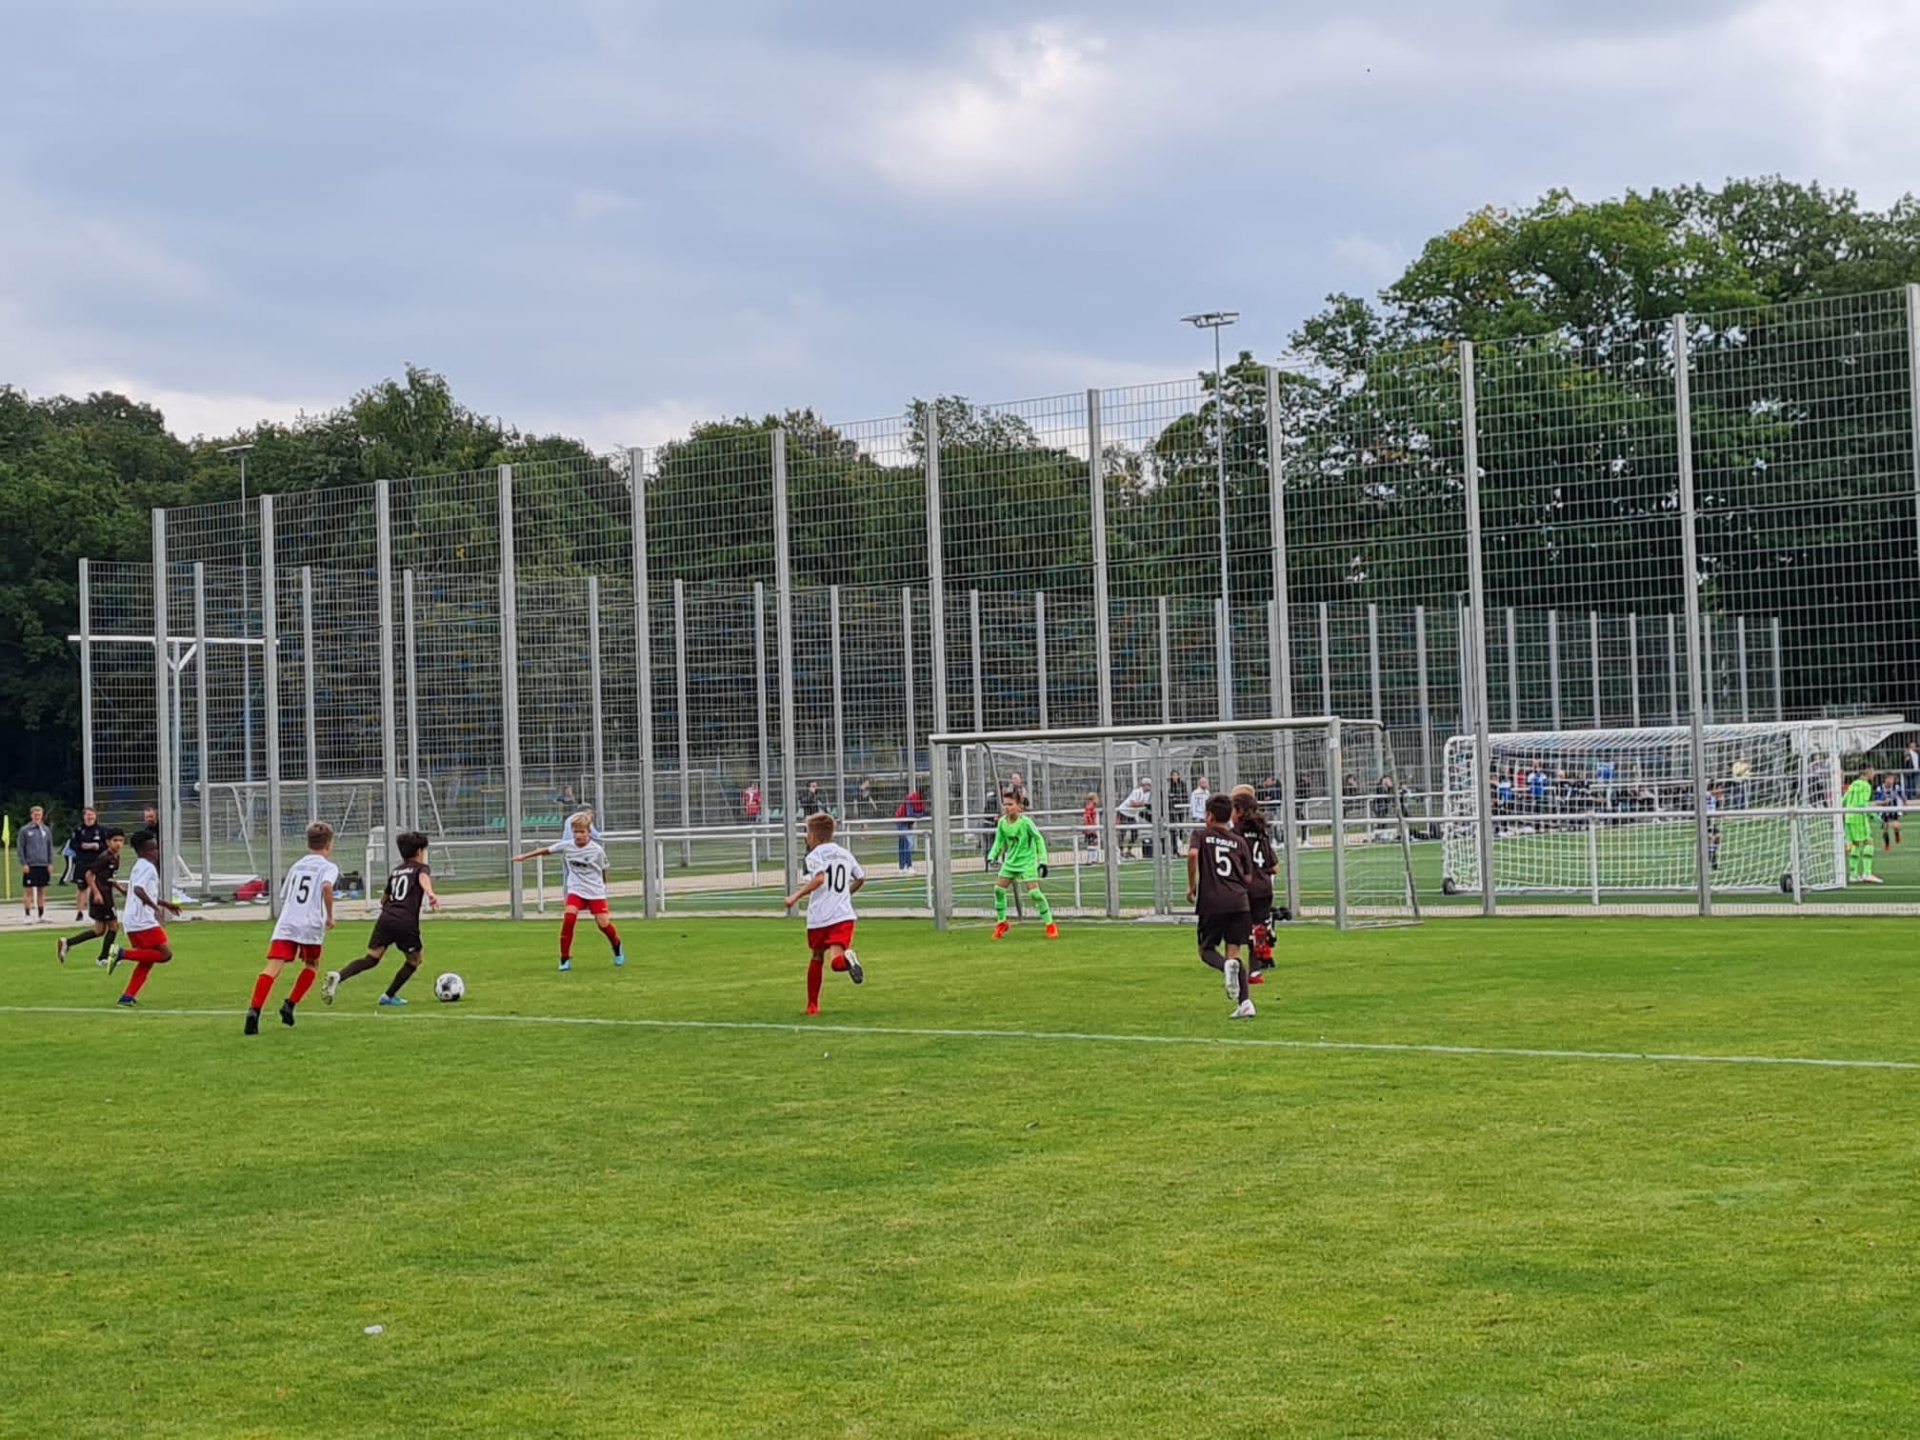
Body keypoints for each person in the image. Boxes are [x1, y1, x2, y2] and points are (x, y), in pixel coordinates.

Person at [324, 830, 440, 1006]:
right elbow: (423, 879)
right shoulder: (421, 868)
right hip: (405, 921)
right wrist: (430, 893)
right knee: (415, 960)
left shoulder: (396, 871)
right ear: (419, 851)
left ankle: (339, 976)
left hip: (386, 918)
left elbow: (383, 899)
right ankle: (388, 996)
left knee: (371, 958)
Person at [245, 822, 339, 1034]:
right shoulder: (328, 867)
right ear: (329, 844)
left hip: (287, 921)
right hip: (310, 922)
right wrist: (330, 916)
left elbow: (286, 894)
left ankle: (254, 1010)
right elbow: (326, 886)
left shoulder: (297, 865)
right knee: (312, 964)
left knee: (272, 967)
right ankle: (290, 1004)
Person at [512, 811, 624, 971]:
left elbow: (603, 869)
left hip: (595, 891)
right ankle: (564, 958)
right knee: (569, 918)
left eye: (581, 832)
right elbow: (545, 850)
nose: (578, 835)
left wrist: (603, 887)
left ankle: (617, 946)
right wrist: (524, 856)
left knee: (603, 924)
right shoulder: (567, 845)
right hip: (576, 889)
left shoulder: (597, 850)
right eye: (575, 831)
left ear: (588, 832)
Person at [783, 812, 866, 1015]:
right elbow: (861, 877)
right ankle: (849, 959)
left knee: (817, 956)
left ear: (814, 836)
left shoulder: (814, 855)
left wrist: (795, 896)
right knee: (837, 963)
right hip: (843, 916)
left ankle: (812, 1005)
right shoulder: (844, 853)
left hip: (820, 916)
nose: (806, 837)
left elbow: (819, 878)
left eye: (807, 833)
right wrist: (845, 894)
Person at [1187, 793, 1256, 1019]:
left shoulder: (1201, 835)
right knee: (1235, 953)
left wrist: (1192, 886)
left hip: (1212, 902)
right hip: (1239, 902)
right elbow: (1248, 877)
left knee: (1206, 950)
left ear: (1209, 815)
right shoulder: (1239, 841)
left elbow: (1192, 854)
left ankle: (1225, 966)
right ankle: (1245, 1002)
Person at [109, 831, 182, 1006]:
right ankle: (121, 953)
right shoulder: (147, 867)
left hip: (134, 919)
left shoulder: (139, 865)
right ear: (141, 851)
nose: (156, 852)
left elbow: (141, 892)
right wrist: (155, 908)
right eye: (152, 849)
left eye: (156, 848)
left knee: (147, 960)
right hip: (142, 920)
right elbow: (138, 890)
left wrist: (164, 904)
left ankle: (127, 997)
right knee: (165, 955)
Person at [987, 790, 1056, 941]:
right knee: (998, 890)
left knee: (1035, 894)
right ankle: (1002, 922)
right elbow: (999, 841)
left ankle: (1050, 924)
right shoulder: (1002, 822)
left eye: (1010, 804)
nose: (1007, 807)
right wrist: (991, 856)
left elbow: (1038, 839)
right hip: (1010, 862)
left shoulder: (1026, 823)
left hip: (1027, 863)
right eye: (1005, 804)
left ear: (1019, 806)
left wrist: (1043, 861)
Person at [1231, 785, 1279, 975]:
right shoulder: (1261, 833)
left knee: (1238, 925)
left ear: (1239, 811)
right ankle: (1261, 958)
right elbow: (1275, 867)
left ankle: (1236, 960)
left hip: (1245, 886)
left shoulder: (1234, 834)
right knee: (1258, 924)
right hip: (1264, 886)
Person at [58, 827, 123, 966]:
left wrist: (121, 889)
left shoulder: (116, 857)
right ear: (108, 842)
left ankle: (67, 942)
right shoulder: (105, 857)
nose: (118, 843)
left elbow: (109, 878)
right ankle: (103, 958)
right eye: (115, 840)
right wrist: (97, 892)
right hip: (102, 896)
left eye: (121, 840)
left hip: (106, 894)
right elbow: (89, 874)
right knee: (114, 926)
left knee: (99, 930)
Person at [67, 807, 105, 922]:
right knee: (81, 888)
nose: (90, 817)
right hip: (82, 862)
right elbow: (72, 845)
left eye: (92, 815)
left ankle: (99, 912)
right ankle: (79, 912)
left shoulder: (102, 830)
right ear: (83, 816)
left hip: (97, 863)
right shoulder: (78, 830)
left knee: (98, 887)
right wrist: (82, 847)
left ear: (95, 816)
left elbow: (107, 845)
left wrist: (97, 846)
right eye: (87, 815)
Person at [1844, 768, 1880, 885]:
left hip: (1849, 817)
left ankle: (1853, 874)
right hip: (1859, 818)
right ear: (1867, 772)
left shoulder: (1853, 784)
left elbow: (1843, 801)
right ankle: (1867, 873)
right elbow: (1862, 804)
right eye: (1872, 771)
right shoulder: (1866, 785)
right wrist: (1874, 815)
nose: (1874, 773)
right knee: (1868, 842)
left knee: (1856, 844)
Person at [19, 805, 54, 924]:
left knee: (42, 891)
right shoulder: (25, 830)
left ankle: (41, 914)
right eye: (35, 815)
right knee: (28, 891)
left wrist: (50, 862)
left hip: (43, 864)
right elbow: (21, 848)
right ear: (31, 815)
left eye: (39, 814)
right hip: (30, 864)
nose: (37, 817)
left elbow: (49, 847)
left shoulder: (46, 830)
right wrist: (24, 863)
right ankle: (27, 915)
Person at [1116, 778, 1151, 859]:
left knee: (1135, 834)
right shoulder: (1137, 792)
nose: (1150, 787)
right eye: (1148, 785)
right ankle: (1121, 852)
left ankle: (1128, 851)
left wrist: (1145, 805)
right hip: (1124, 812)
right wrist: (1142, 804)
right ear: (1144, 785)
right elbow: (1132, 804)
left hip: (1132, 815)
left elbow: (1143, 804)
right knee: (1122, 833)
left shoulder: (1147, 793)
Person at [894, 790, 925, 873]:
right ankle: (908, 866)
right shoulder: (909, 798)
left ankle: (902, 867)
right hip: (901, 820)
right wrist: (918, 815)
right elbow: (909, 813)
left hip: (908, 823)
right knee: (906, 843)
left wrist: (917, 815)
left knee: (905, 843)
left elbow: (922, 813)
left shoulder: (921, 801)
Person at [1877, 771, 1905, 851]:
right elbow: (1877, 801)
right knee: (1885, 828)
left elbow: (1903, 797)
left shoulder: (1897, 787)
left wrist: (1905, 805)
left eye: (1892, 779)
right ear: (1884, 779)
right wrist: (1883, 802)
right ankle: (1887, 844)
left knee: (1895, 826)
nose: (1890, 781)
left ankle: (1897, 833)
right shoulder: (1880, 789)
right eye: (1888, 779)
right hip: (1884, 810)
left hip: (1894, 810)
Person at [1186, 775, 1210, 853]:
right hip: (1199, 817)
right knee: (1198, 834)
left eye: (1205, 782)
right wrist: (1195, 816)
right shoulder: (1195, 793)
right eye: (1203, 782)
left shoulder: (1207, 793)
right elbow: (1193, 805)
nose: (1204, 784)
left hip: (1206, 817)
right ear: (1199, 783)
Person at [1082, 791, 1101, 863]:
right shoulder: (1089, 807)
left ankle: (1093, 858)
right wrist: (1089, 826)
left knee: (1094, 842)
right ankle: (1090, 859)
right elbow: (1086, 816)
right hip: (1090, 828)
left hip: (1091, 827)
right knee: (1091, 842)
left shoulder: (1091, 807)